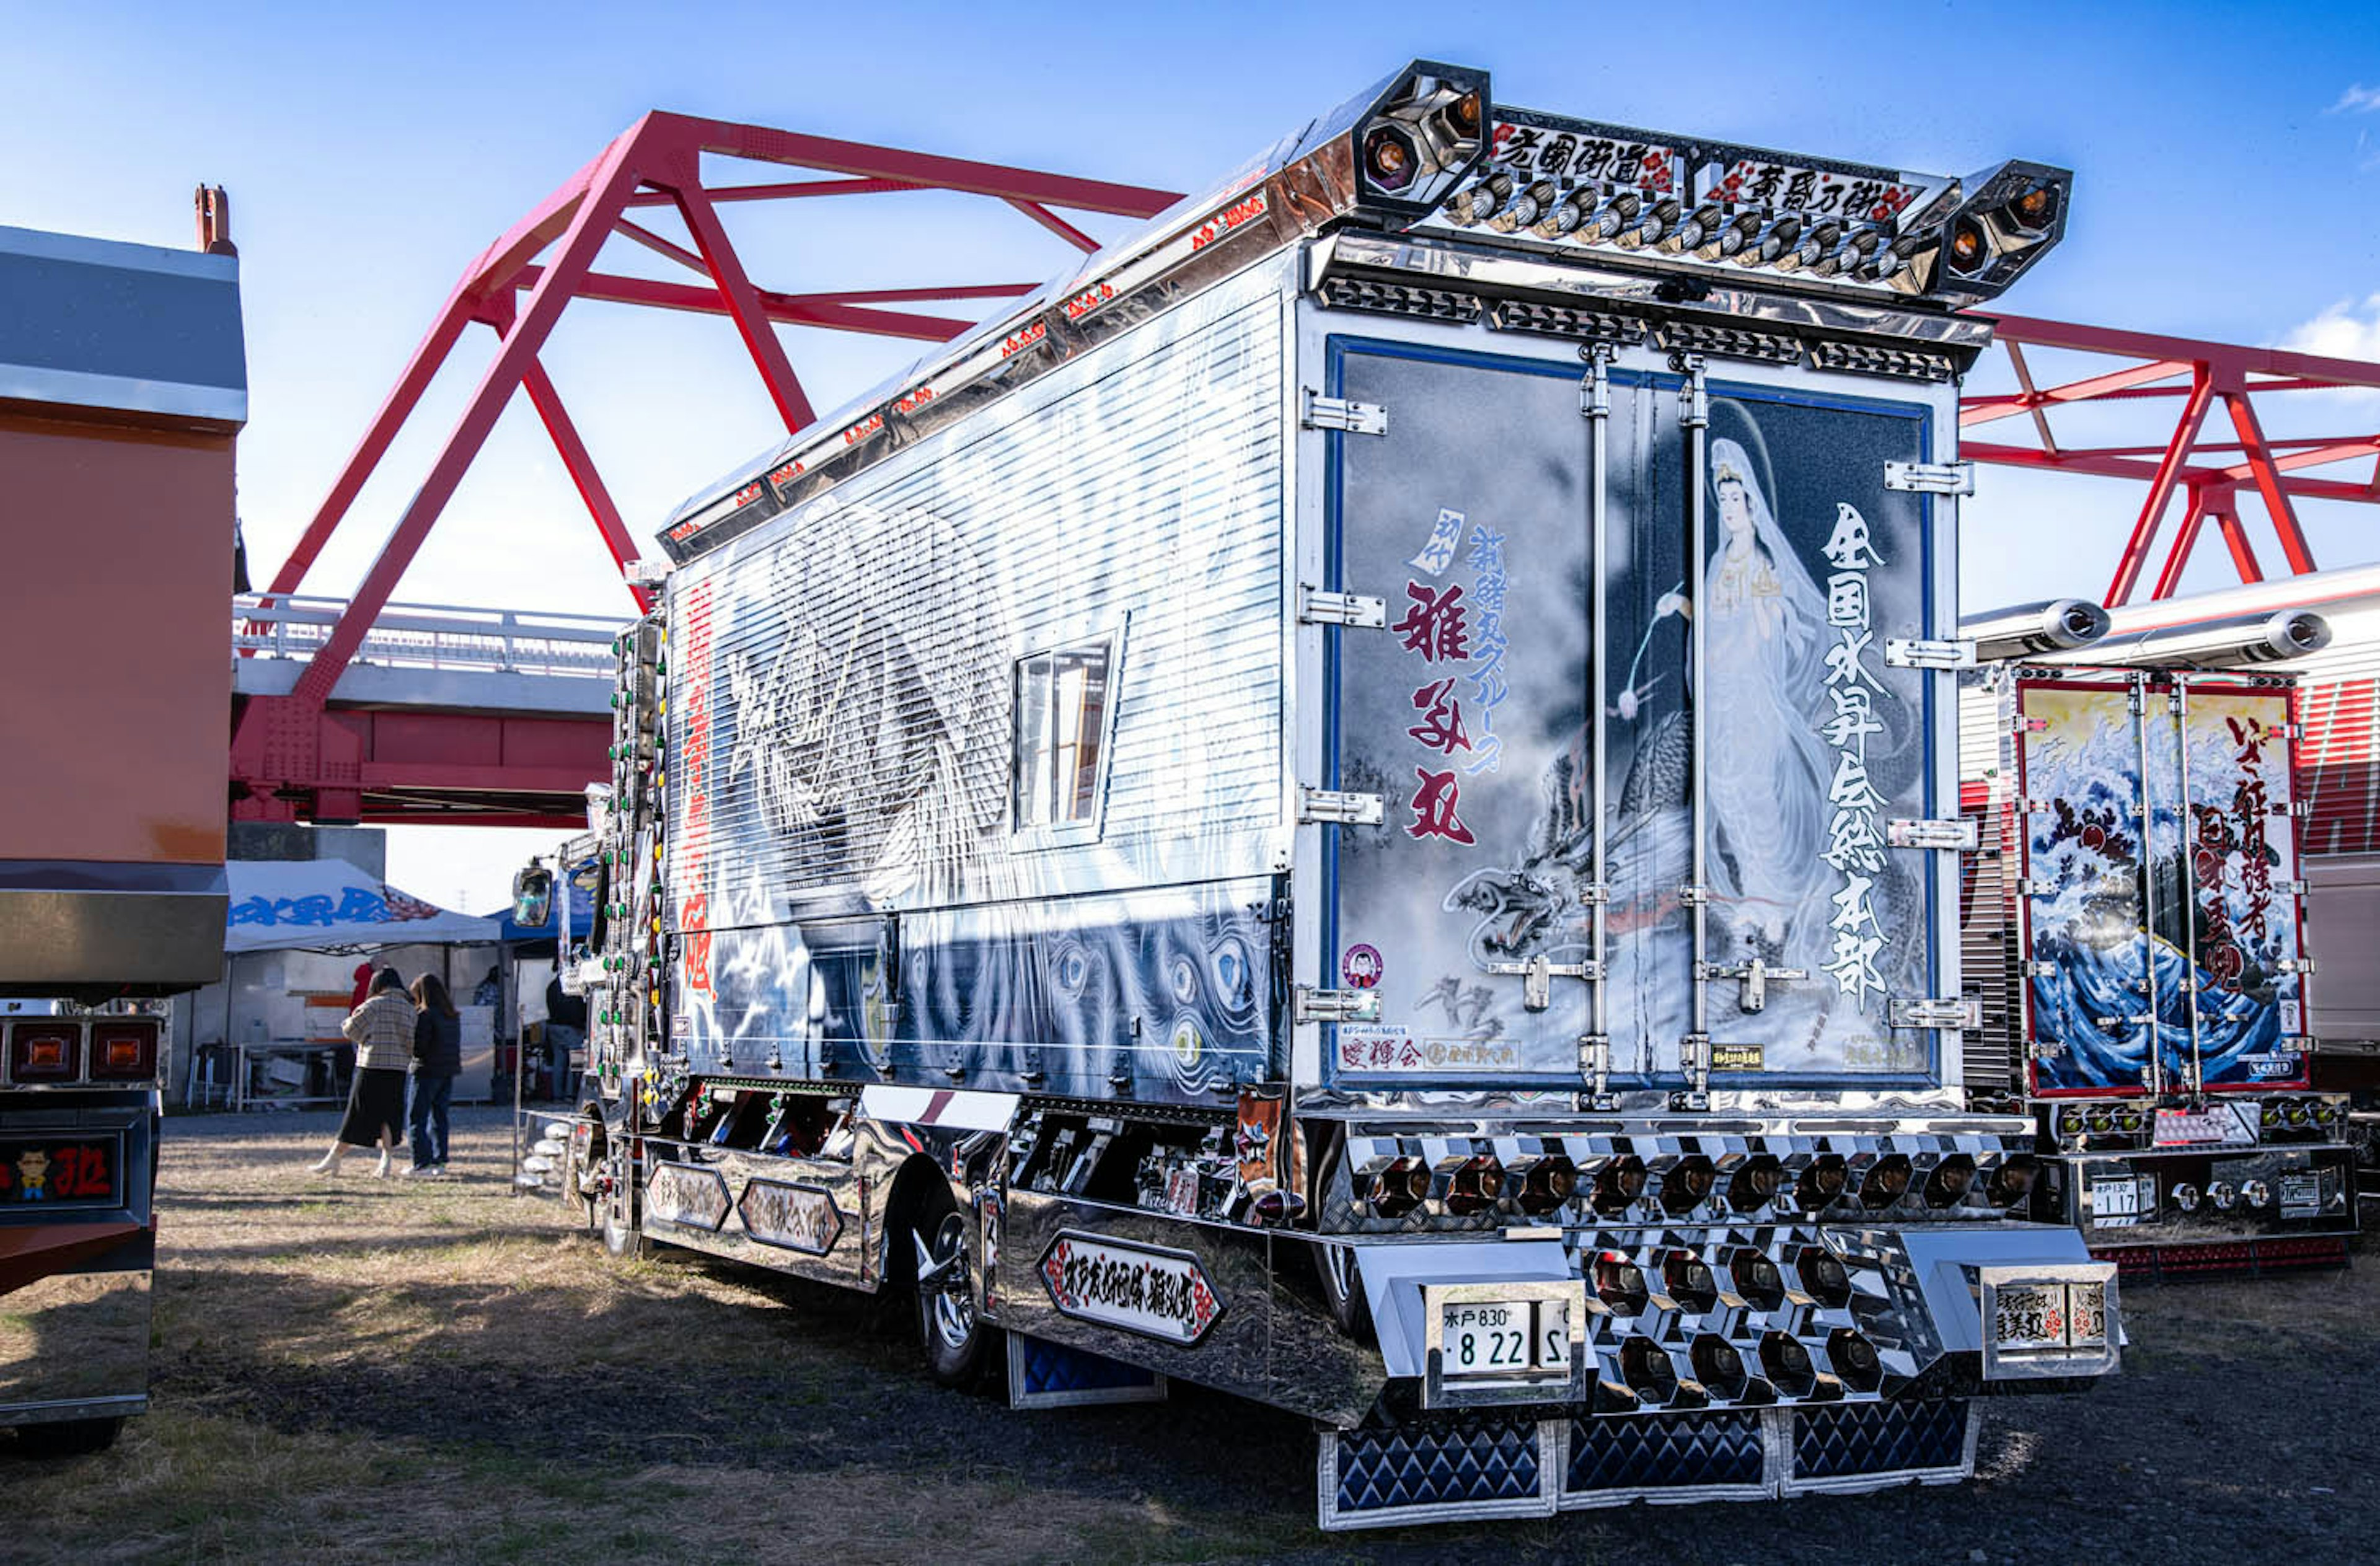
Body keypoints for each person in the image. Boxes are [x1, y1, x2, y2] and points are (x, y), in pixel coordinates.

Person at [312, 967, 412, 1177]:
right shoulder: (409, 1008)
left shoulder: (373, 1005)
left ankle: (334, 1158)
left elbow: (352, 1031)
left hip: (371, 1066)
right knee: (390, 1115)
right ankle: (386, 1162)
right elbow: (412, 1041)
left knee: (357, 1114)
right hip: (398, 1068)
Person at [407, 973, 462, 1177]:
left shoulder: (425, 1016)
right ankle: (440, 1159)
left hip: (427, 1070)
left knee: (416, 1118)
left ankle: (422, 1162)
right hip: (448, 1070)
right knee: (440, 1116)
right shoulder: (452, 1015)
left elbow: (420, 1048)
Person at [544, 970, 586, 1102]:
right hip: (572, 1027)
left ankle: (557, 1095)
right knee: (575, 1062)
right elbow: (576, 1009)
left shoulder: (551, 986)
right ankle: (571, 1094)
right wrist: (581, 1025)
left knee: (559, 1061)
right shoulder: (573, 987)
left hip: (554, 1027)